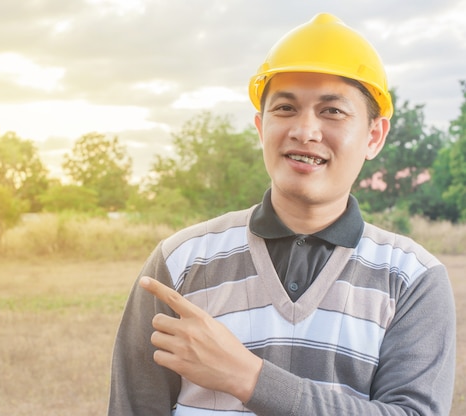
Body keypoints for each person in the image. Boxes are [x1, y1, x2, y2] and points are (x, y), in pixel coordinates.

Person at [108, 12, 456, 415]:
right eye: (286, 108)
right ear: (260, 127)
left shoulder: (413, 280)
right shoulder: (181, 260)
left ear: (374, 136)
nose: (305, 130)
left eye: (333, 112)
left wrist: (249, 378)